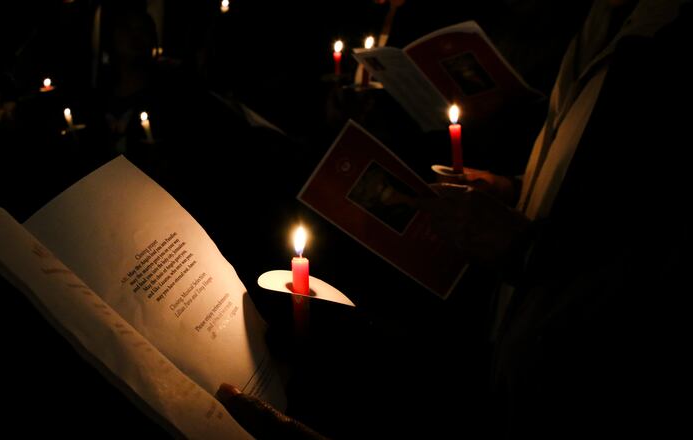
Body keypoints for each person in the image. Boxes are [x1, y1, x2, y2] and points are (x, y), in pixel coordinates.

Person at [215, 0, 692, 438]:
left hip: (580, 361)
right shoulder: (607, 14)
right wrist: (513, 187)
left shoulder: (674, 37)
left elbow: (656, 230)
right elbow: (583, 174)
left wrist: (527, 245)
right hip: (514, 323)